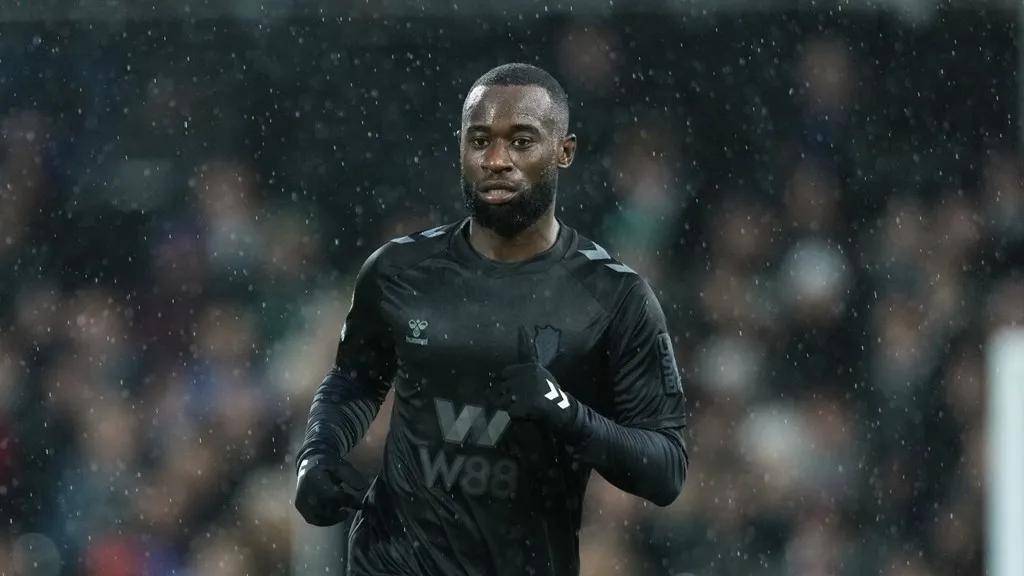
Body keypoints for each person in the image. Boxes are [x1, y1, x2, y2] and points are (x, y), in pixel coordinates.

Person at [294, 62, 689, 576]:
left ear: (565, 151)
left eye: (522, 142)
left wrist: (567, 413)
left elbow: (666, 468)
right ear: (460, 148)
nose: (497, 160)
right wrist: (319, 453)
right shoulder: (398, 271)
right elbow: (354, 381)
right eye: (480, 141)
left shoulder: (615, 297)